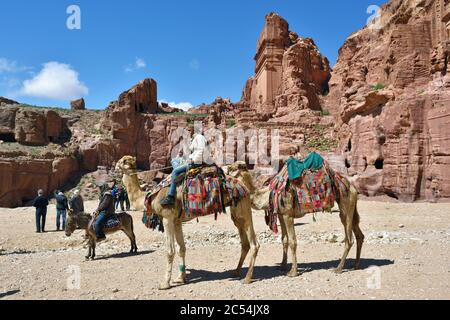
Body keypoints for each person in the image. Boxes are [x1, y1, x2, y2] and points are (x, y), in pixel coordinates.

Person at [160, 128, 208, 206]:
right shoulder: (195, 138)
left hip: (196, 162)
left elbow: (200, 151)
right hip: (190, 160)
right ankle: (181, 172)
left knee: (175, 171)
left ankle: (171, 196)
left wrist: (193, 160)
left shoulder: (200, 138)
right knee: (174, 161)